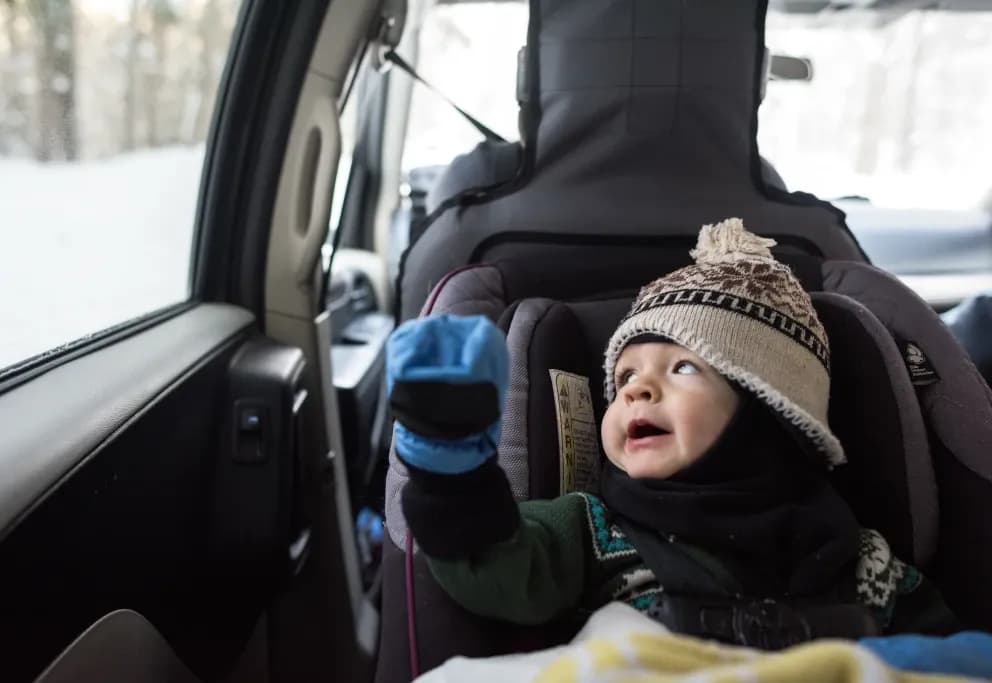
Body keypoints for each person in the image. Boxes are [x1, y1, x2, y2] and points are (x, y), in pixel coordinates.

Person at [385, 218, 958, 648]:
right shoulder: (592, 532)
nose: (635, 390)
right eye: (625, 376)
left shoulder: (863, 562)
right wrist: (451, 462)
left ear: (770, 406)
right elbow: (497, 567)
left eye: (684, 367)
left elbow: (933, 657)